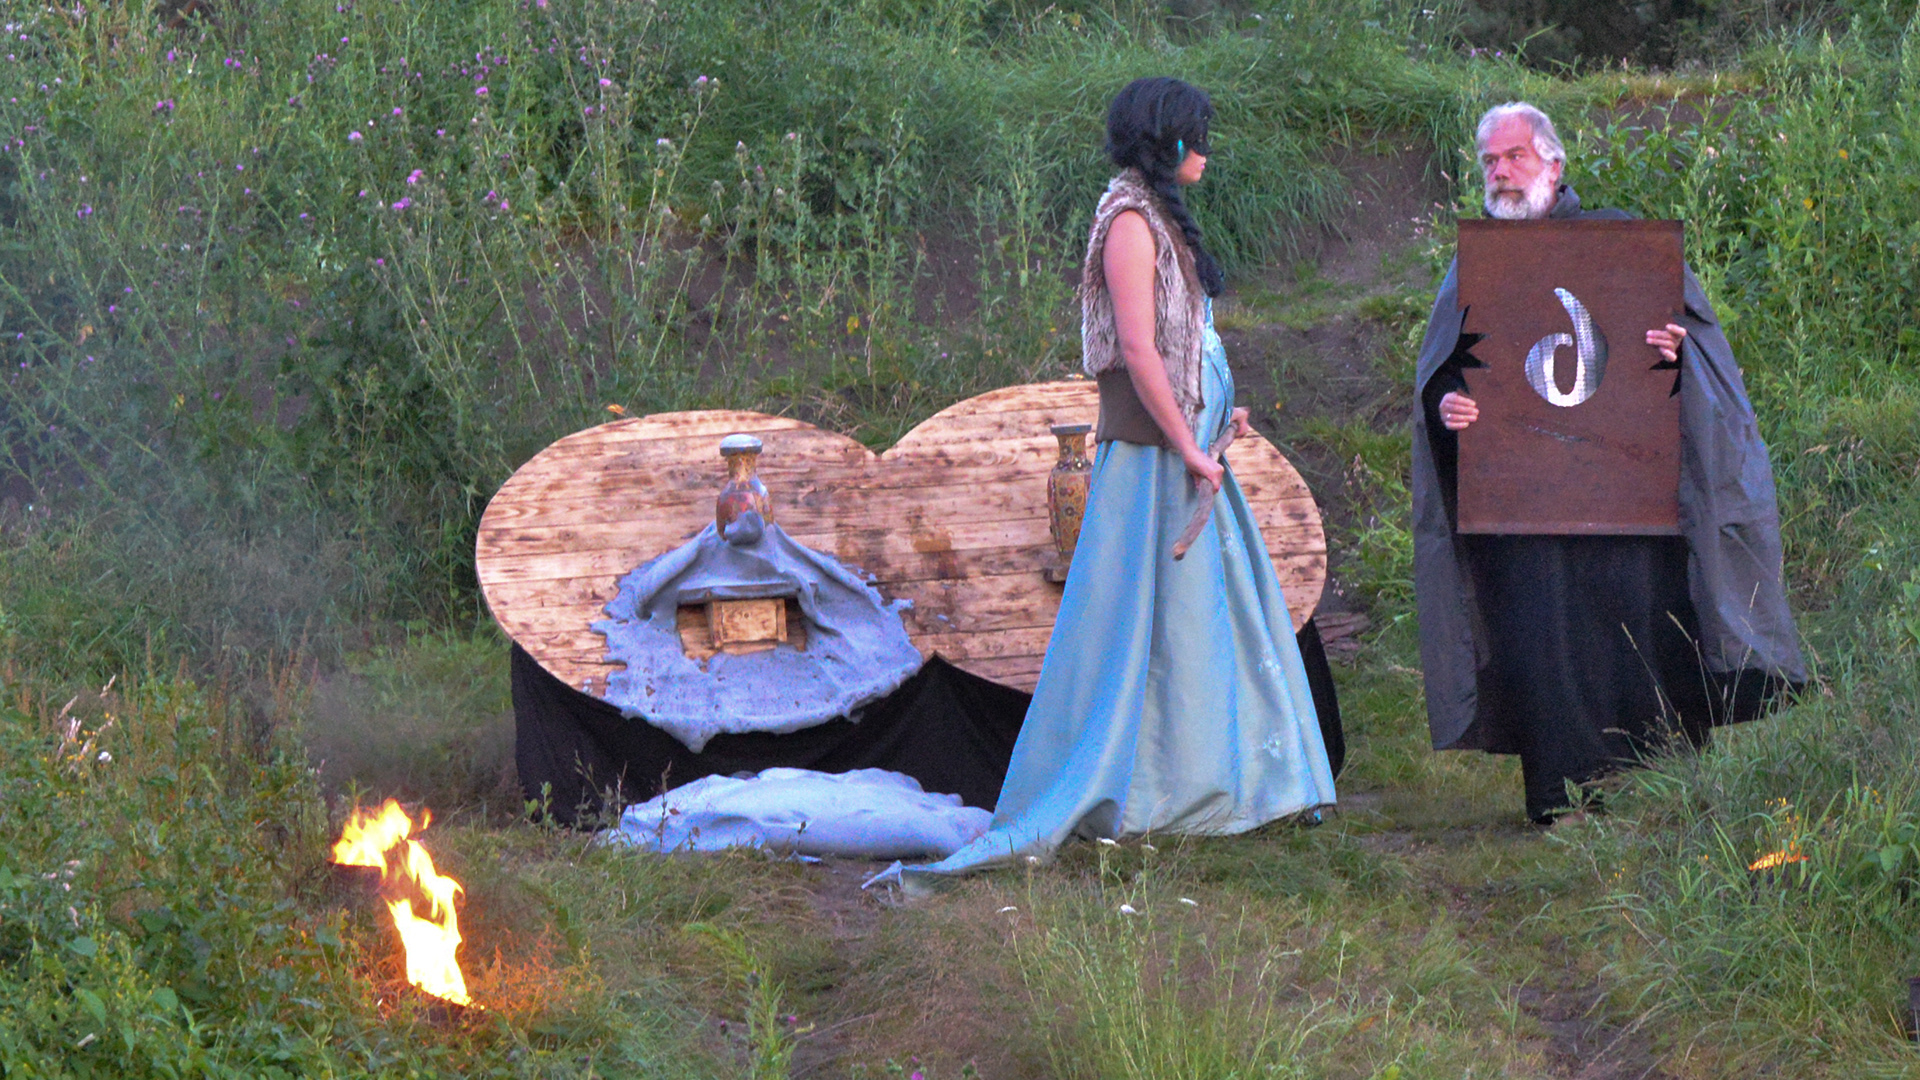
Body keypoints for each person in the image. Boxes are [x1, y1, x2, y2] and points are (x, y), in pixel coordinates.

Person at [866, 77, 1337, 890]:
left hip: (1190, 449)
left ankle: (1223, 785)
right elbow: (1138, 350)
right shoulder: (1127, 221)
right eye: (1197, 134)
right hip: (1155, 459)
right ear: (1168, 140)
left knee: (1201, 625)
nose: (1207, 149)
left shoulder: (1161, 217)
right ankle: (1151, 794)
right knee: (1142, 628)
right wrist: (1186, 443)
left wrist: (1217, 414)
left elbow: (1189, 343)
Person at [1413, 102, 1805, 825]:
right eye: (1490, 162)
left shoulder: (1623, 243)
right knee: (1542, 642)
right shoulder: (1477, 263)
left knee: (1639, 629)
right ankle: (1561, 798)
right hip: (1522, 502)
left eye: (1515, 157)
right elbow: (1444, 375)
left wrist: (1673, 352)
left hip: (1627, 494)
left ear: (1554, 164)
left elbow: (1696, 360)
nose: (1501, 173)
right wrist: (1448, 408)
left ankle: (1658, 783)